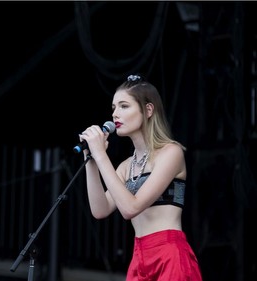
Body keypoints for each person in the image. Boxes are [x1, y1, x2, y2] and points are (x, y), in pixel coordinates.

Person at [79, 74, 202, 281]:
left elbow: (130, 208)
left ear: (148, 110)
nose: (115, 114)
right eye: (113, 107)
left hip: (169, 254)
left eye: (124, 106)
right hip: (139, 257)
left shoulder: (171, 152)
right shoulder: (126, 166)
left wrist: (101, 155)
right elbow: (99, 210)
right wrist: (91, 160)